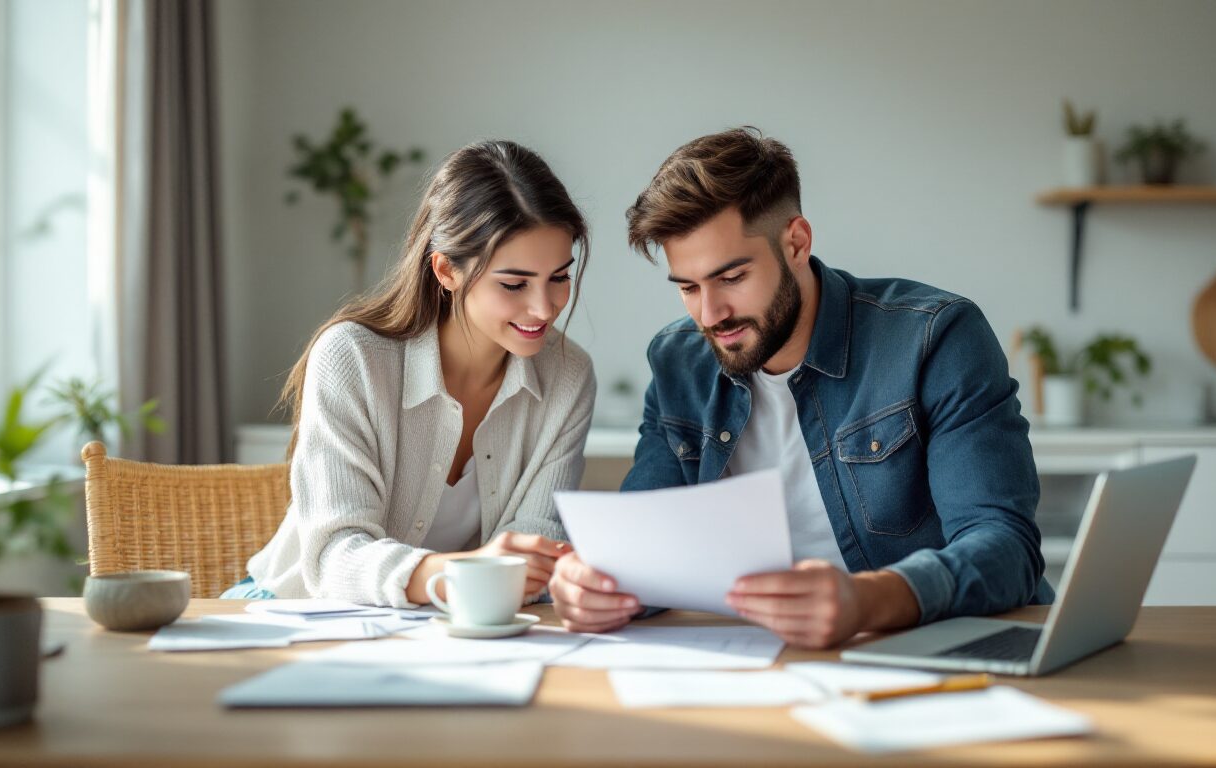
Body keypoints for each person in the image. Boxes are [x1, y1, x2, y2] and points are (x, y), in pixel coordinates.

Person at [548, 127, 1052, 648]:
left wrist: (866, 601)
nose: (710, 314)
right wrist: (596, 584)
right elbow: (644, 550)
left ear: (796, 242)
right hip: (758, 662)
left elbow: (1006, 549)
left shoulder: (934, 338)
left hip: (933, 656)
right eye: (688, 288)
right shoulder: (679, 361)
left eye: (731, 278)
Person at [225, 140, 595, 607]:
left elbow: (534, 546)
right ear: (446, 271)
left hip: (448, 626)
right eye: (514, 283)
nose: (544, 307)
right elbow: (335, 557)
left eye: (559, 277)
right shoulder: (352, 359)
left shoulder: (569, 375)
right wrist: (469, 573)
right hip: (297, 614)